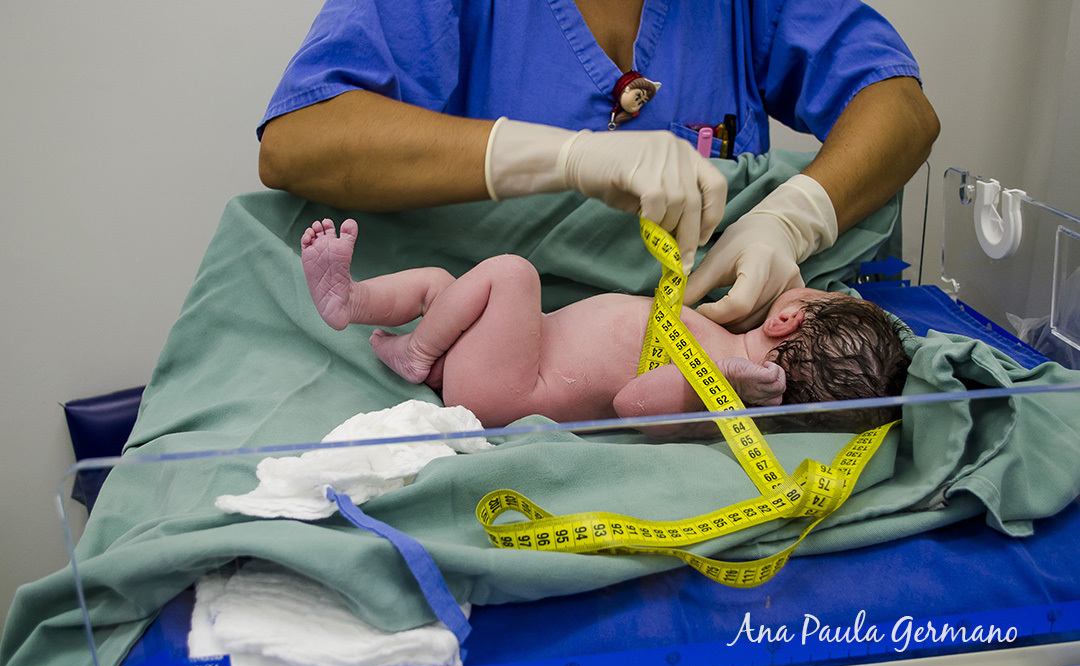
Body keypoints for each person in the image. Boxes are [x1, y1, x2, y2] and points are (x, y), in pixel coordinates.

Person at [259, 1, 939, 331]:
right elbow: (301, 140)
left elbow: (900, 110)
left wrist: (793, 218)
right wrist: (562, 156)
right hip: (486, 355)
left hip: (708, 347)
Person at [301, 218, 910, 432]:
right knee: (442, 286)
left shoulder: (720, 386)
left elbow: (634, 401)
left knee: (511, 275)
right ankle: (350, 300)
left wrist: (718, 383)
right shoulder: (715, 345)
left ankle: (415, 354)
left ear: (786, 317)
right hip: (508, 353)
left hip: (508, 388)